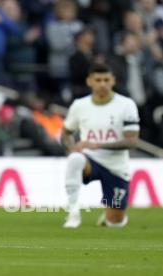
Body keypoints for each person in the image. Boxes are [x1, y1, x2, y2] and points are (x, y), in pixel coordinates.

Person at [61, 63, 139, 228]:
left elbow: (132, 141)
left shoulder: (126, 105)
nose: (102, 84)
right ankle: (73, 213)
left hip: (116, 167)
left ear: (113, 81)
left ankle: (111, 215)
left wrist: (97, 144)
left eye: (106, 80)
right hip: (90, 161)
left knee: (115, 222)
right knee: (75, 158)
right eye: (98, 80)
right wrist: (71, 147)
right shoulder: (79, 105)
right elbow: (66, 133)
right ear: (89, 81)